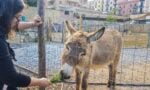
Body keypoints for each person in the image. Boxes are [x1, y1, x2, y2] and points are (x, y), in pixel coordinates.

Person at [0, 0, 51, 90]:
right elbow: (11, 77)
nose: (19, 21)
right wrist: (40, 82)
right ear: (7, 15)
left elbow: (16, 25)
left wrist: (33, 24)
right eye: (18, 17)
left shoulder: (3, 25)